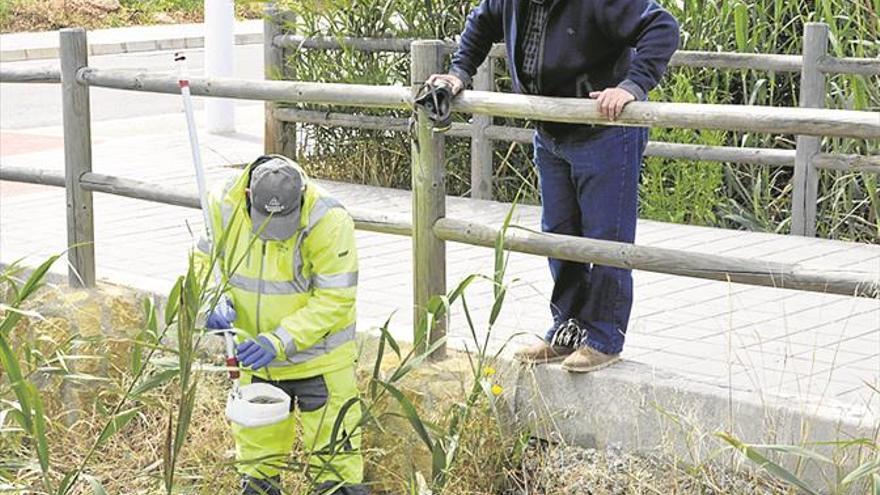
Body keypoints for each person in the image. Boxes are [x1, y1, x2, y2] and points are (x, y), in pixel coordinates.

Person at [430, 0, 679, 372]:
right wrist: (459, 73)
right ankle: (566, 330)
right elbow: (480, 24)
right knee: (558, 234)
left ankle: (604, 338)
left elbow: (662, 26)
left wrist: (633, 84)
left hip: (605, 132)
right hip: (550, 130)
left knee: (605, 240)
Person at [199, 155, 367, 495]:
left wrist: (278, 341)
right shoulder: (222, 205)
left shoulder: (329, 221)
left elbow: (335, 300)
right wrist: (207, 299)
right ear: (247, 195)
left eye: (284, 222)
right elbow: (203, 262)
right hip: (256, 362)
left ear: (302, 195)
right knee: (257, 469)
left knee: (336, 465)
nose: (275, 235)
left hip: (320, 363)